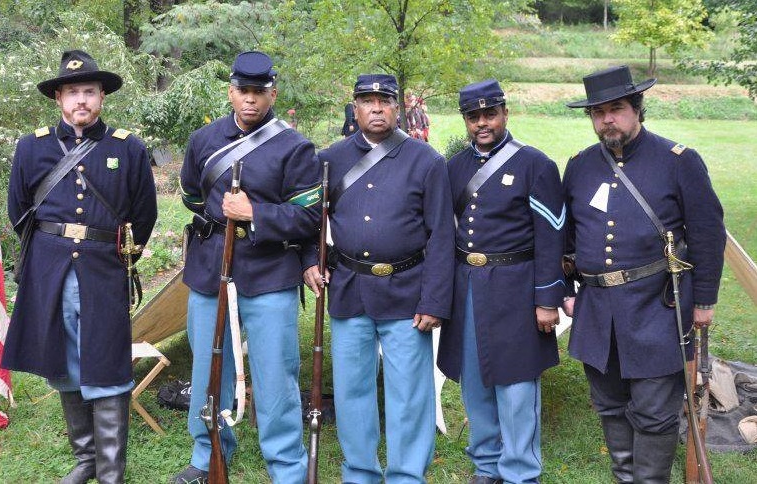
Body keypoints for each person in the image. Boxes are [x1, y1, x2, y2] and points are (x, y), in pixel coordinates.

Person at [562, 65, 725, 483]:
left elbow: (707, 234)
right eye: (598, 113)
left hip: (657, 308)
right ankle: (624, 476)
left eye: (615, 109)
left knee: (654, 414)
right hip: (598, 311)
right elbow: (564, 240)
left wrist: (704, 301)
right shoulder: (579, 167)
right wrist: (566, 287)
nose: (606, 120)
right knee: (611, 407)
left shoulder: (679, 161)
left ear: (637, 109)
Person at [3, 49, 158, 484]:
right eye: (73, 92)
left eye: (89, 91)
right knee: (66, 362)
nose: (81, 100)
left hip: (104, 268)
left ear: (102, 96)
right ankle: (86, 459)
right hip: (49, 270)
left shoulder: (126, 148)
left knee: (107, 361)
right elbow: (19, 210)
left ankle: (110, 472)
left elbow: (144, 213)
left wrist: (123, 254)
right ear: (58, 98)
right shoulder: (32, 147)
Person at [172, 51, 321, 484]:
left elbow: (309, 217)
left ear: (273, 93)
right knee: (208, 368)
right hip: (210, 267)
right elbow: (190, 196)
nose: (251, 100)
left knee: (275, 373)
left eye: (260, 92)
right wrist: (222, 225)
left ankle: (287, 466)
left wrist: (255, 214)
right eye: (243, 91)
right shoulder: (203, 140)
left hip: (270, 270)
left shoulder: (295, 148)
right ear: (231, 92)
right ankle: (208, 454)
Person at [303, 74, 454, 483]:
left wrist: (435, 300)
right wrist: (308, 261)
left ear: (396, 108)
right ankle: (361, 473)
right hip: (350, 289)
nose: (375, 108)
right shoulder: (329, 160)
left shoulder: (427, 161)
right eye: (366, 101)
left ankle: (406, 474)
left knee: (409, 395)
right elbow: (309, 222)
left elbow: (442, 235)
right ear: (355, 109)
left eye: (383, 101)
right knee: (353, 391)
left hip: (408, 291)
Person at [436, 79, 564, 484]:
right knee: (474, 382)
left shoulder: (535, 165)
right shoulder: (454, 167)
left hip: (516, 288)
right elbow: (442, 233)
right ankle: (487, 466)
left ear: (505, 113)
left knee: (516, 386)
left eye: (489, 114)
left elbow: (551, 236)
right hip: (467, 286)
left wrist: (547, 299)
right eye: (473, 117)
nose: (482, 124)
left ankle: (520, 471)